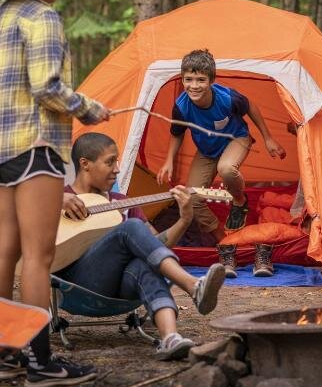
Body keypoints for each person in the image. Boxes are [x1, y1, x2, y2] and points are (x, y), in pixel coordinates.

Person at [0, 0, 109, 387]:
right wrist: (89, 109)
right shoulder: (43, 18)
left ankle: (3, 353)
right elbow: (47, 87)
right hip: (35, 147)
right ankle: (40, 363)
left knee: (5, 251)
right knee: (39, 255)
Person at [58, 132, 226, 360]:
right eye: (109, 162)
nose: (117, 169)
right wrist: (55, 199)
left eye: (117, 161)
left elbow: (154, 246)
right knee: (131, 227)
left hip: (121, 286)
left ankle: (170, 338)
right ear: (85, 164)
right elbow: (20, 219)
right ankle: (192, 285)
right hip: (77, 283)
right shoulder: (57, 198)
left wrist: (184, 220)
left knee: (143, 264)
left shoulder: (122, 201)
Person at [156, 49, 286, 278]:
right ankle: (226, 242)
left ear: (211, 81)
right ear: (182, 79)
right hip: (207, 149)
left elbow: (251, 108)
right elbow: (177, 133)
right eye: (188, 80)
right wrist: (168, 161)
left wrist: (267, 138)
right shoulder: (182, 105)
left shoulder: (227, 98)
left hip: (236, 138)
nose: (193, 86)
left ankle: (239, 200)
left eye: (200, 80)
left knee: (226, 169)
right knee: (191, 197)